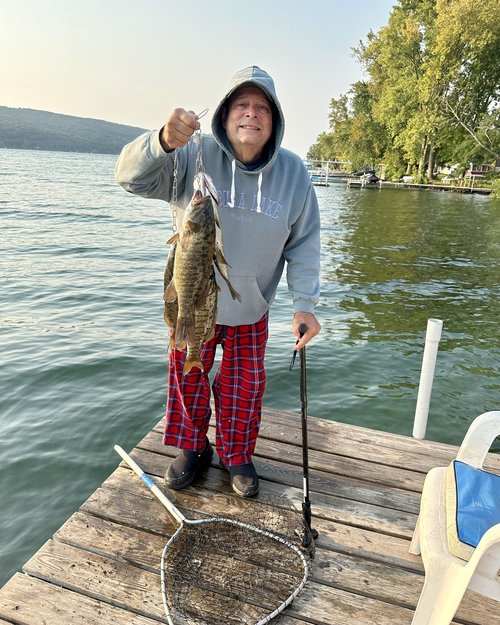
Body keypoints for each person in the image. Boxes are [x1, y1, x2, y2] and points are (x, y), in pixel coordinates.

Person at [116, 65, 321, 497]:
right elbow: (130, 178)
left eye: (261, 107)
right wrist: (163, 141)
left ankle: (236, 453)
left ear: (275, 119)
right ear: (225, 115)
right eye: (242, 105)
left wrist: (304, 303)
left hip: (252, 307)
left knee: (244, 388)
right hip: (191, 301)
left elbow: (304, 243)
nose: (251, 114)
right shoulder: (193, 155)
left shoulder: (294, 173)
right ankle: (193, 448)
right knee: (187, 376)